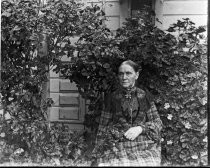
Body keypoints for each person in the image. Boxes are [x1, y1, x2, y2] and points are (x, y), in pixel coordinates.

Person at [92, 60, 163, 166]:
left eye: (128, 73)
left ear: (137, 75)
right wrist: (98, 154)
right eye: (121, 74)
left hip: (144, 146)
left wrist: (140, 128)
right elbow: (103, 127)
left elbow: (158, 123)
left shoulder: (145, 97)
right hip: (118, 147)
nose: (124, 77)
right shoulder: (111, 98)